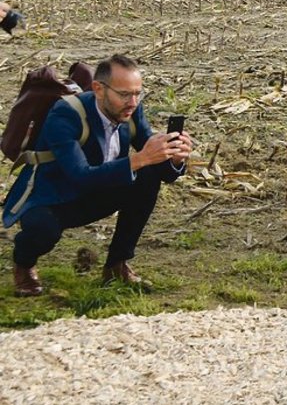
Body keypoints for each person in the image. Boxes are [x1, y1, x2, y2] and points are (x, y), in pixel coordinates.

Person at [4, 54, 193, 295]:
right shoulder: (65, 114)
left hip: (97, 189)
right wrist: (142, 158)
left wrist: (174, 157)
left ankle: (117, 264)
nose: (133, 102)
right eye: (124, 94)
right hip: (52, 197)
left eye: (137, 94)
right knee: (44, 231)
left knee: (147, 175)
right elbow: (79, 175)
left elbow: (159, 168)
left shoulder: (131, 110)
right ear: (98, 89)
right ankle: (24, 264)